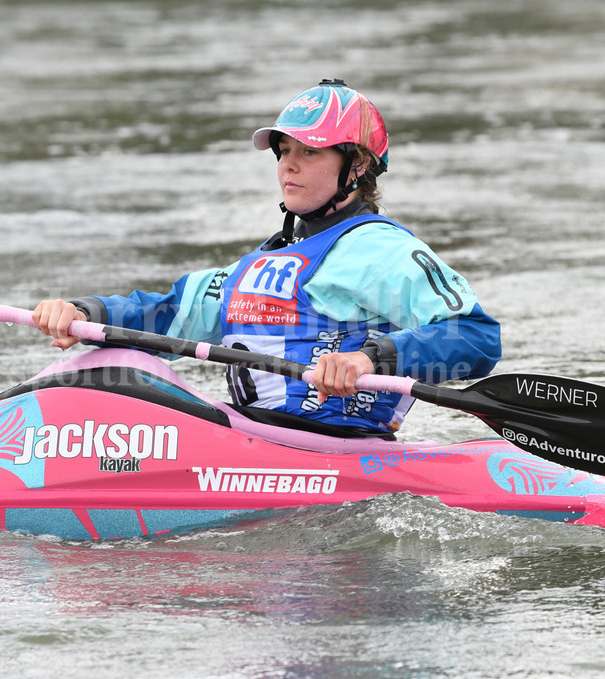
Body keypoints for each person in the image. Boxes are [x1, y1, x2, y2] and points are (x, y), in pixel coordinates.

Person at [33, 78, 501, 437]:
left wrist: (369, 359)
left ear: (356, 165)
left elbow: (477, 339)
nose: (288, 165)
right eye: (284, 151)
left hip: (337, 447)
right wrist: (82, 312)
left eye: (309, 153)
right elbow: (169, 313)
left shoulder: (379, 249)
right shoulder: (263, 260)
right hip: (253, 440)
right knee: (113, 371)